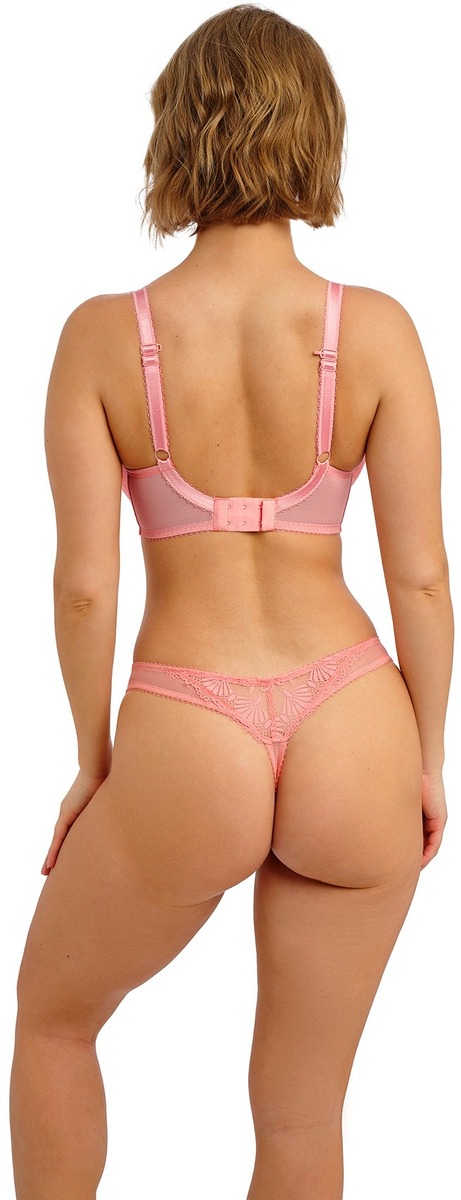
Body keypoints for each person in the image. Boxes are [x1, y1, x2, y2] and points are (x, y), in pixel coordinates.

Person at [9, 4, 453, 1198]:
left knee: (52, 1022)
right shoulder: (375, 330)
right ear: (314, 135)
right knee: (299, 1118)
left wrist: (97, 764)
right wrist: (423, 756)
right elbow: (419, 576)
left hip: (186, 719)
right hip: (353, 713)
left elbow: (85, 585)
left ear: (175, 134)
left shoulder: (104, 338)